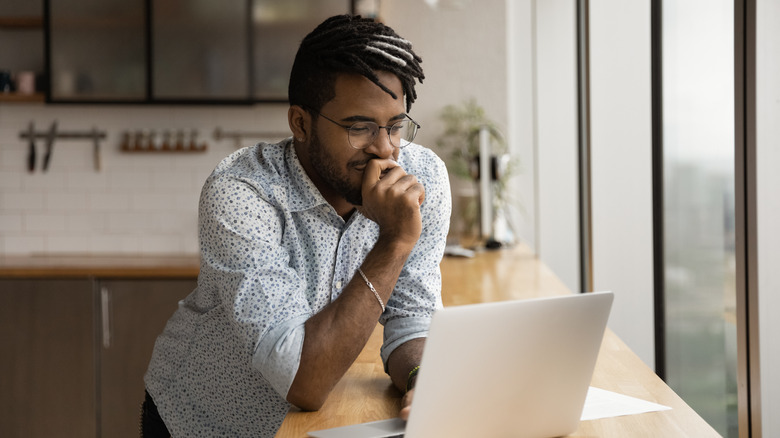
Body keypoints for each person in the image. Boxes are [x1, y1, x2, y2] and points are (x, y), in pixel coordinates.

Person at [142, 14, 451, 437]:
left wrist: (422, 380)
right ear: (300, 123)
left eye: (395, 126)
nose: (385, 149)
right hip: (205, 422)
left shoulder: (423, 178)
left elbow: (412, 317)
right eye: (359, 127)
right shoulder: (242, 192)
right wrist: (394, 242)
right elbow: (303, 381)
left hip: (306, 427)